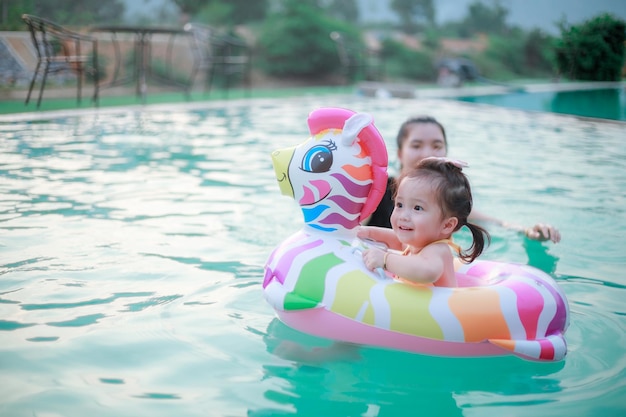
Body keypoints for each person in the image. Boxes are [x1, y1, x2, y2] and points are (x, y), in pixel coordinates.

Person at [366, 116, 561, 243]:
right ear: (400, 153)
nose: (427, 153)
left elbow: (496, 224)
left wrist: (528, 231)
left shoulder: (443, 197)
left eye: (436, 145)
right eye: (416, 146)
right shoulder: (377, 189)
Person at [359, 157, 489, 287]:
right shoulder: (417, 244)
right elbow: (397, 240)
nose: (403, 216)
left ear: (447, 225)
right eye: (399, 204)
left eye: (417, 208)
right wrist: (367, 232)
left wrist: (385, 259)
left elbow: (428, 271)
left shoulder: (438, 250)